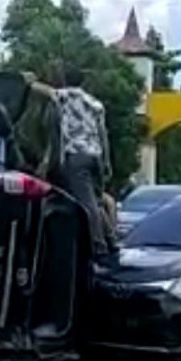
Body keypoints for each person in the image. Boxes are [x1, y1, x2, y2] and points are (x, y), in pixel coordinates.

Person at [53, 65, 112, 257]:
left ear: (63, 78)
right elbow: (103, 136)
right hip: (95, 156)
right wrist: (106, 163)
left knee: (86, 204)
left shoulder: (60, 97)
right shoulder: (95, 104)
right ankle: (110, 237)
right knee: (96, 201)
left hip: (75, 156)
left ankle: (98, 245)